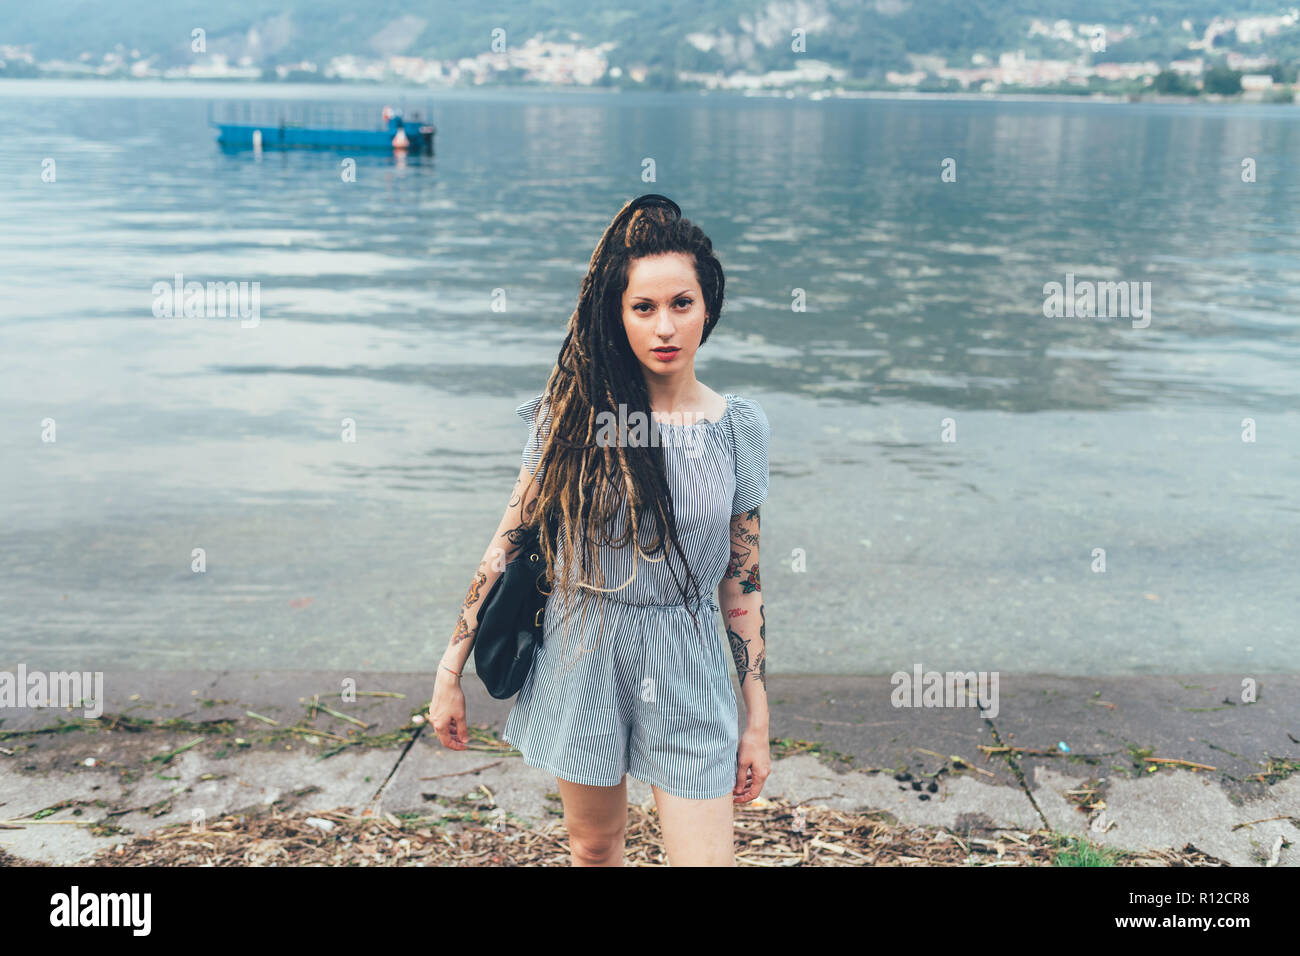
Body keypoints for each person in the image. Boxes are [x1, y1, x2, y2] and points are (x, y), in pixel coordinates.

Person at [428, 194, 771, 866]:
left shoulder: (739, 428)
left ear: (709, 307)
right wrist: (450, 670)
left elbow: (744, 581)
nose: (665, 326)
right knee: (592, 846)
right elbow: (510, 540)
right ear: (618, 315)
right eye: (643, 308)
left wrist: (756, 719)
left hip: (689, 655)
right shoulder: (574, 417)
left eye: (682, 304)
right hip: (583, 648)